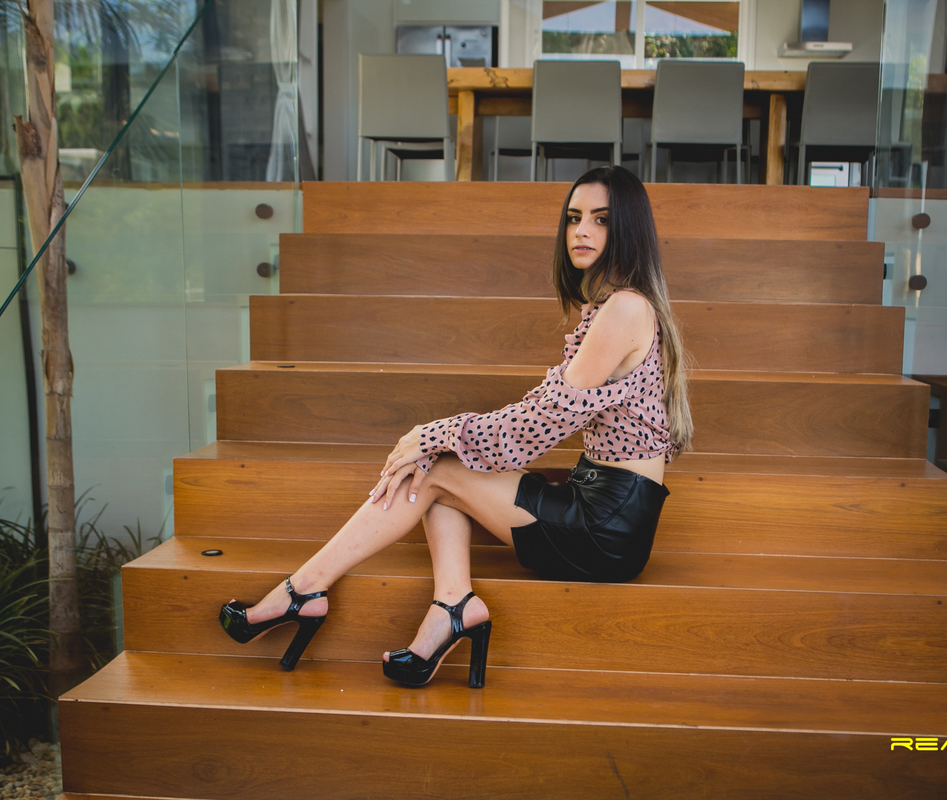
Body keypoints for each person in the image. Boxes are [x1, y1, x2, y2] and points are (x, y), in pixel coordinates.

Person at [218, 165, 693, 689]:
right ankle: (452, 605)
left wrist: (435, 433)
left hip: (607, 526)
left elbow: (539, 425)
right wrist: (445, 439)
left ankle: (306, 588)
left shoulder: (625, 309)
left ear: (628, 229)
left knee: (438, 464)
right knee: (440, 471)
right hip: (603, 507)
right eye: (573, 218)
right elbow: (540, 411)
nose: (581, 231)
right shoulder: (613, 306)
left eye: (600, 220)